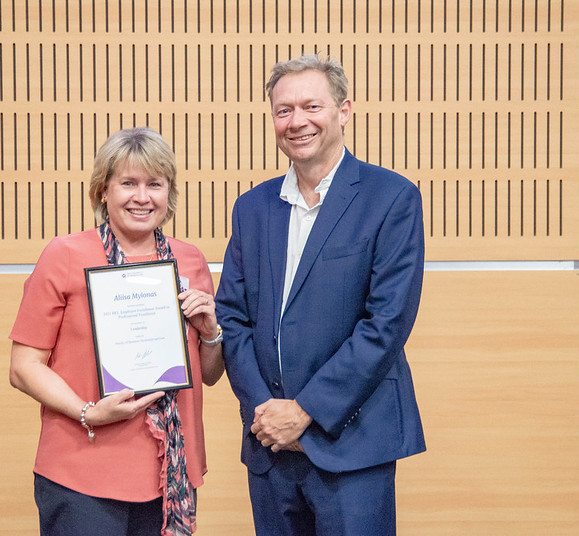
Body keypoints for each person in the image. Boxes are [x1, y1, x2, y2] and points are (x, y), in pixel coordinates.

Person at [215, 54, 426, 535]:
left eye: (312, 106)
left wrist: (305, 412)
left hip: (352, 442)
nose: (297, 121)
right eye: (283, 110)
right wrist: (264, 413)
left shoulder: (391, 197)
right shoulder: (252, 207)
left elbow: (386, 324)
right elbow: (232, 317)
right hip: (269, 445)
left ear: (344, 110)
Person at [9, 127, 224, 536]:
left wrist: (210, 331)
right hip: (82, 472)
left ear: (168, 194)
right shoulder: (65, 255)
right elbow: (23, 367)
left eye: (154, 185)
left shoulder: (190, 261)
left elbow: (208, 374)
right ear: (103, 191)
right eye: (128, 183)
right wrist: (89, 412)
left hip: (170, 476)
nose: (142, 197)